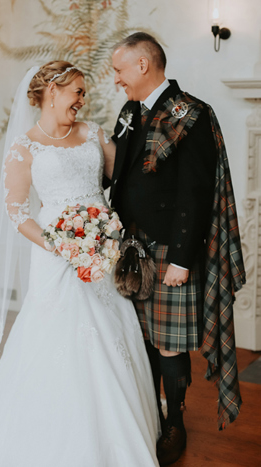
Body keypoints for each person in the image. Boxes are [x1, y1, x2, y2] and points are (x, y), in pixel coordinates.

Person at [0, 62, 160, 466]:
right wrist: (59, 244)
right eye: (77, 91)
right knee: (61, 334)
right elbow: (16, 211)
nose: (83, 100)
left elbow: (125, 183)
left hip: (102, 248)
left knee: (111, 329)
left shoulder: (94, 134)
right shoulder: (24, 147)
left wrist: (105, 231)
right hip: (54, 254)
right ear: (51, 90)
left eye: (84, 93)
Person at [109, 32, 245, 465]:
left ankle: (175, 425)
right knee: (142, 340)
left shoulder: (193, 114)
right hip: (132, 246)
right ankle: (151, 414)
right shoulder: (131, 111)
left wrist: (183, 260)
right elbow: (122, 176)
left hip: (171, 250)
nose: (116, 80)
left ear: (143, 66)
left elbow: (197, 192)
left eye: (119, 70)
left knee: (169, 343)